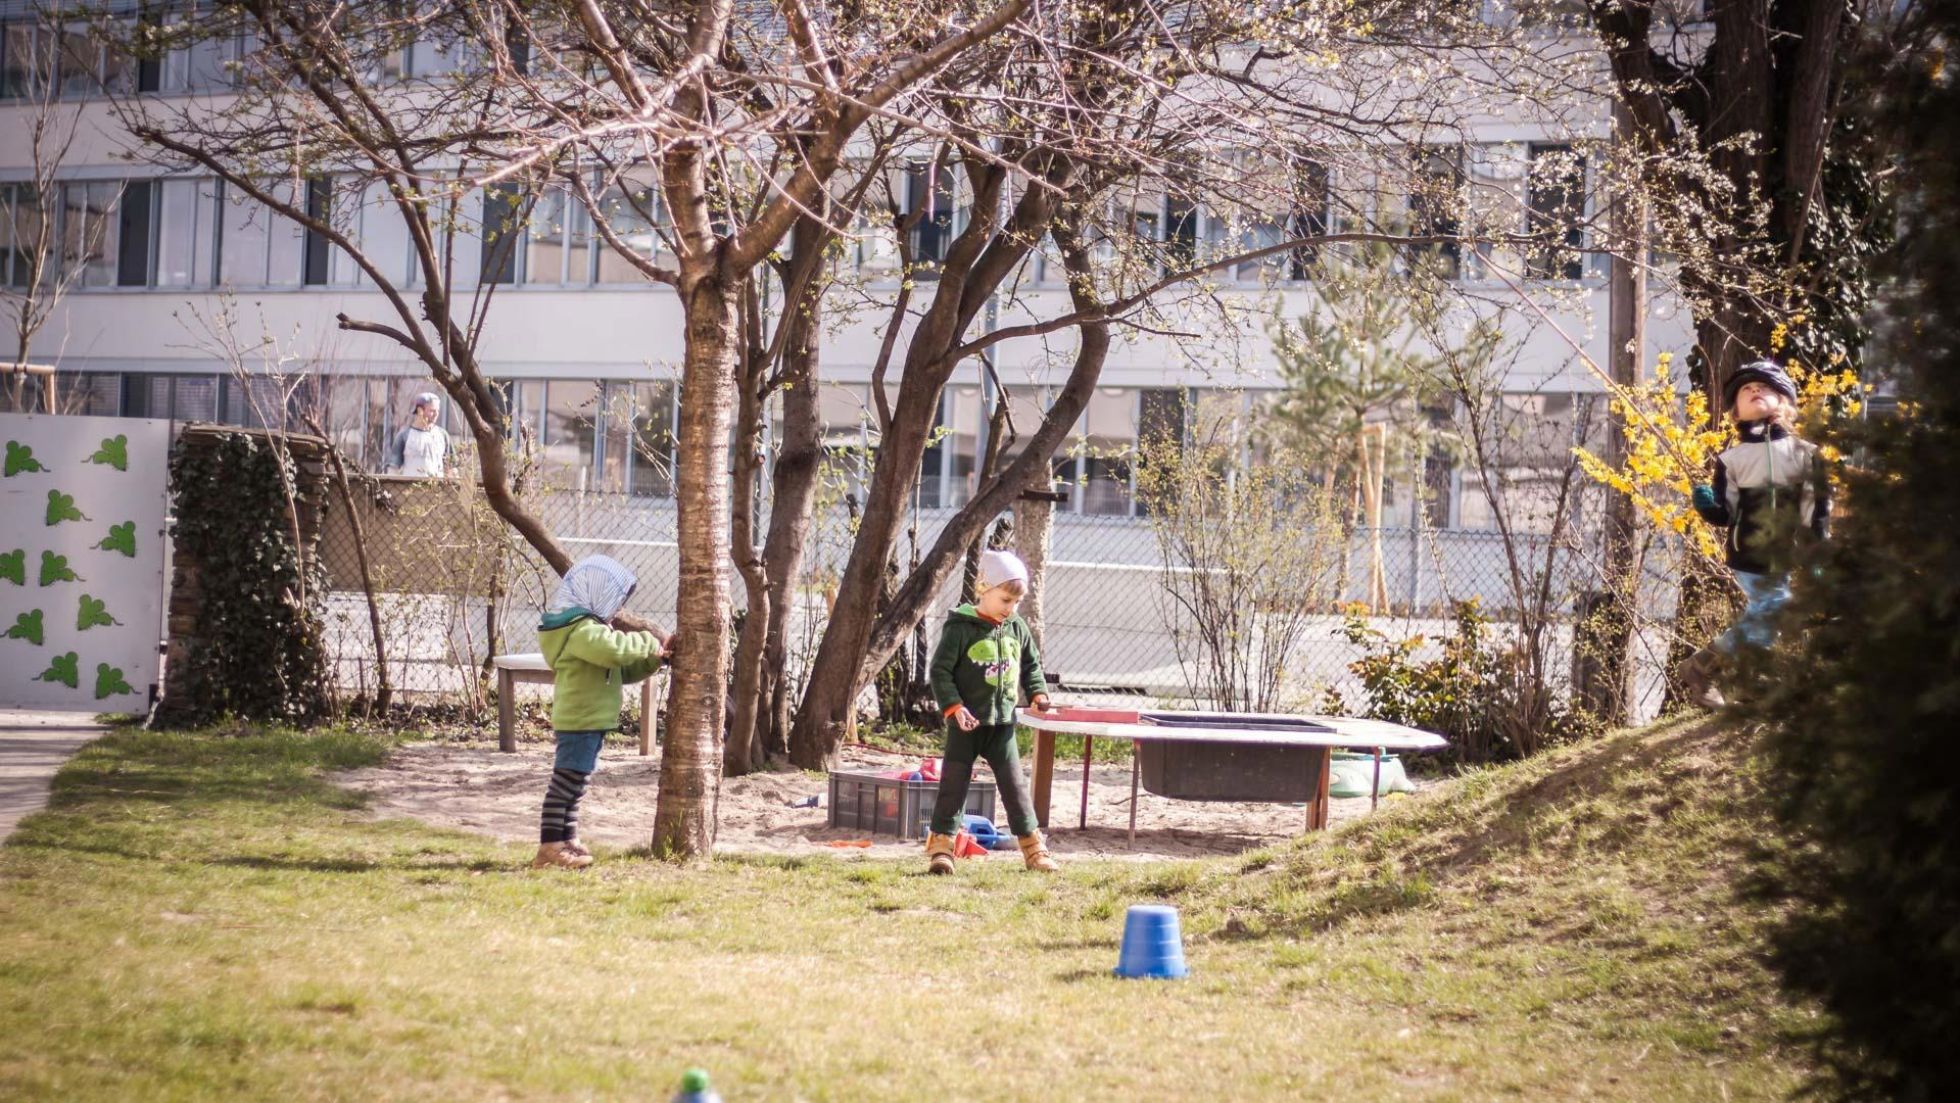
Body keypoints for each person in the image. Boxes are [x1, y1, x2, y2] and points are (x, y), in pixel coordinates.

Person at [1681, 359, 1832, 708]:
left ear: (1785, 402)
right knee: (1772, 606)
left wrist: (1816, 552)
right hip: (1747, 551)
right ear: (1735, 410)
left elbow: (1817, 508)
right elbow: (1724, 512)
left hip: (1788, 550)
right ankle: (1709, 670)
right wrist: (1707, 505)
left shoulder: (1805, 454)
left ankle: (1731, 676)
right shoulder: (1731, 459)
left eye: (1764, 387)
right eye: (1747, 390)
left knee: (1768, 612)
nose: (1755, 391)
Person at [925, 549, 1057, 875]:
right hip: (965, 725)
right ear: (984, 588)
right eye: (1005, 600)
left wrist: (1038, 692)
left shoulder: (1016, 628)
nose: (1010, 608)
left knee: (1015, 787)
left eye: (1015, 602)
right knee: (953, 786)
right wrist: (954, 707)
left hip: (1002, 727)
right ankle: (942, 848)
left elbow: (1030, 665)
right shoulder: (960, 628)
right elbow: (940, 672)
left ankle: (1033, 849)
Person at [533, 555, 666, 870]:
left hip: (590, 720)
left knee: (577, 782)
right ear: (596, 594)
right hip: (579, 720)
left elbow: (619, 668)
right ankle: (550, 847)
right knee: (565, 782)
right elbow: (614, 650)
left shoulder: (589, 630)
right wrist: (651, 641)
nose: (616, 609)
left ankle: (568, 838)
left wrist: (655, 660)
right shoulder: (582, 630)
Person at [386, 391, 450, 477]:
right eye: (432, 411)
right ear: (420, 410)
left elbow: (451, 468)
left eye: (437, 411)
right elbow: (393, 469)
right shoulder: (404, 436)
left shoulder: (443, 435)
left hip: (437, 489)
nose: (436, 414)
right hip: (410, 488)